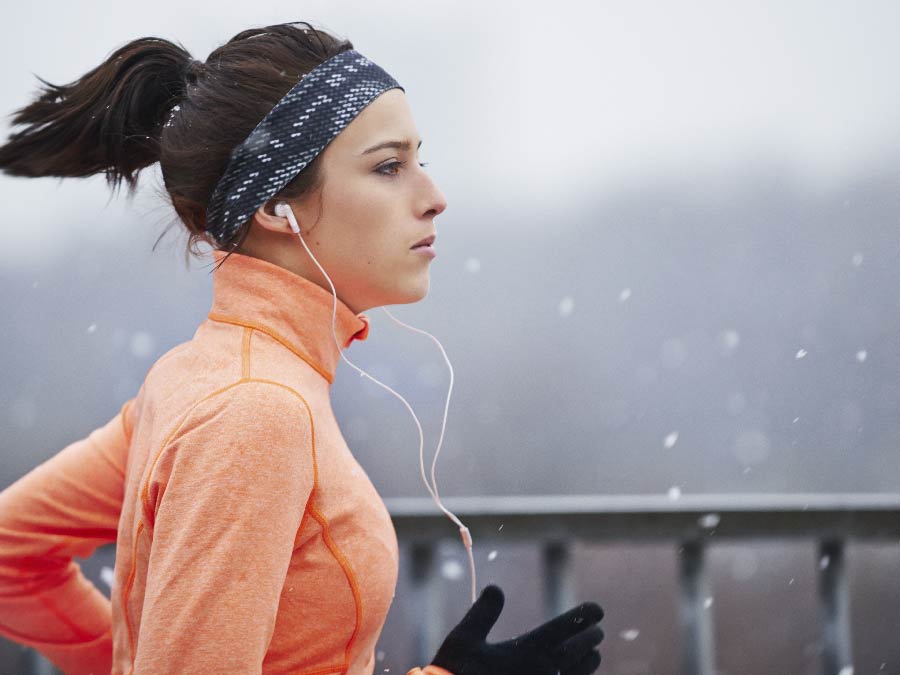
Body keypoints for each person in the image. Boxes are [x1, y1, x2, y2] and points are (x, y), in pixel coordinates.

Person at [0, 21, 605, 675]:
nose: (434, 198)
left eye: (419, 161)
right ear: (276, 208)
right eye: (388, 166)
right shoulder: (254, 409)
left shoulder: (200, 377)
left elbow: (10, 554)